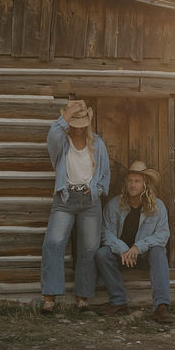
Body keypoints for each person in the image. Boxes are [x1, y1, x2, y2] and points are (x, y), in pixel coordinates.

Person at [40, 99, 110, 313]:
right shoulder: (61, 142)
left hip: (89, 201)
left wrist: (96, 190)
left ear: (88, 123)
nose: (78, 127)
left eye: (82, 122)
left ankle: (82, 296)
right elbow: (52, 134)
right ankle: (49, 298)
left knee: (88, 248)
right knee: (53, 243)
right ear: (69, 121)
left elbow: (105, 174)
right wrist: (68, 112)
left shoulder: (97, 144)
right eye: (74, 121)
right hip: (65, 198)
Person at [95, 160, 174, 323]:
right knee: (102, 254)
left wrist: (138, 247)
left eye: (137, 181)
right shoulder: (113, 205)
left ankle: (161, 306)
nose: (133, 185)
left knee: (159, 251)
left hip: (145, 257)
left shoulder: (158, 207)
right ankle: (118, 301)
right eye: (130, 181)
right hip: (122, 256)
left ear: (146, 184)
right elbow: (105, 232)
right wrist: (122, 248)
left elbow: (163, 235)